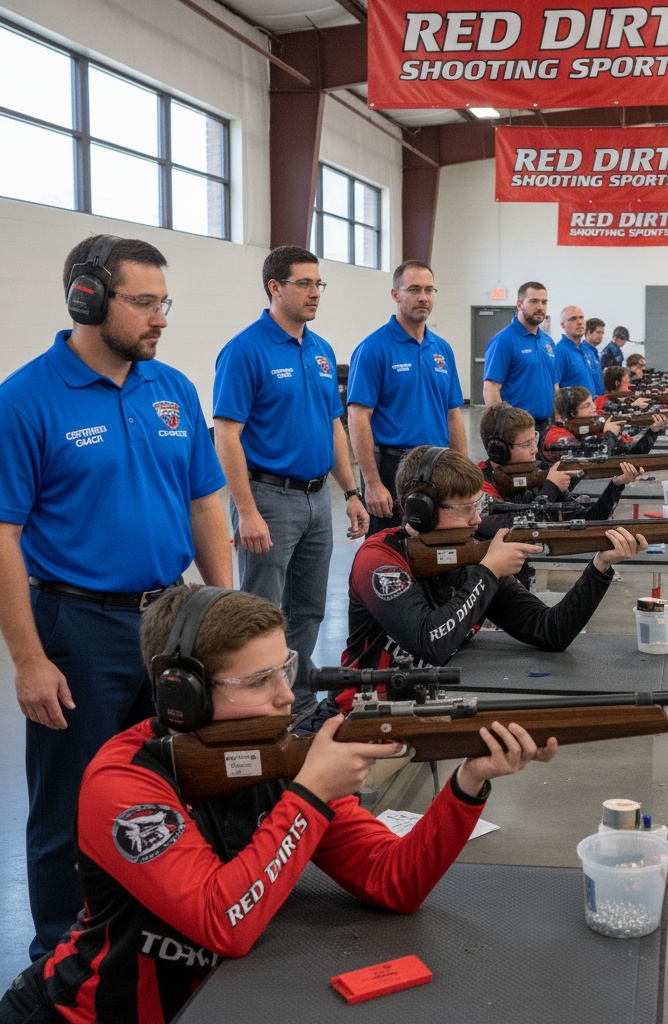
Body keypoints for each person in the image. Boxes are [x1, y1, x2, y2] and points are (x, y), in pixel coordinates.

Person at [0, 584, 556, 1024]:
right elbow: (222, 923)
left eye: (284, 669)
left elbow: (395, 881)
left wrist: (469, 782)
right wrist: (311, 793)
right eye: (260, 680)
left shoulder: (275, 754)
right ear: (182, 694)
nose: (287, 696)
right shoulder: (122, 783)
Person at [0, 234, 233, 960]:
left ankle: (145, 941)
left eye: (165, 302)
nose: (160, 317)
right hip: (79, 628)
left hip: (172, 623)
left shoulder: (173, 390)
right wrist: (30, 659)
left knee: (174, 787)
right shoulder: (26, 398)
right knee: (72, 810)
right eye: (143, 303)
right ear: (87, 298)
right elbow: (2, 537)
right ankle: (60, 966)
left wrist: (225, 616)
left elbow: (204, 505)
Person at [213, 246, 369, 710]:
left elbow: (334, 426)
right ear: (274, 287)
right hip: (268, 498)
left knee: (308, 610)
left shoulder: (321, 351)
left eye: (318, 284)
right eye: (304, 283)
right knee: (261, 615)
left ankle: (296, 704)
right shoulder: (244, 351)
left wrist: (352, 492)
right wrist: (245, 511)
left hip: (318, 498)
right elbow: (226, 434)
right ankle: (253, 707)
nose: (314, 293)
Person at [341, 446, 646, 672]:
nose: (477, 520)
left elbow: (551, 631)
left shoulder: (471, 553)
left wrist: (600, 566)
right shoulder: (379, 560)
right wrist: (488, 572)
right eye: (465, 509)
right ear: (420, 511)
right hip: (365, 717)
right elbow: (430, 642)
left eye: (478, 505)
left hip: (431, 706)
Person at [347, 260, 467, 537]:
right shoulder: (373, 348)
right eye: (414, 289)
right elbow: (358, 417)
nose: (423, 297)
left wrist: (464, 474)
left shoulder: (442, 349)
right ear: (395, 295)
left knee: (436, 546)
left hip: (438, 464)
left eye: (429, 290)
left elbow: (453, 414)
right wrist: (372, 482)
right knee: (389, 551)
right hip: (392, 467)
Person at [478, 402, 640, 520]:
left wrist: (617, 484)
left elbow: (588, 518)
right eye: (526, 444)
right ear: (498, 451)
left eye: (533, 440)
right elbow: (517, 531)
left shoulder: (533, 476)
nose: (534, 449)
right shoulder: (479, 491)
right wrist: (550, 489)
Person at [482, 281, 558, 431]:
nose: (540, 307)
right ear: (519, 305)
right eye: (534, 301)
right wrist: (504, 427)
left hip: (547, 424)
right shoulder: (503, 340)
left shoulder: (547, 341)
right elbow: (490, 390)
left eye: (544, 302)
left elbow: (554, 384)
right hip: (517, 428)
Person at [541, 387, 668, 464]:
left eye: (592, 403)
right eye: (586, 406)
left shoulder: (593, 426)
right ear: (572, 414)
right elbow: (597, 461)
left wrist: (653, 431)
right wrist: (609, 435)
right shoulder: (558, 438)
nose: (594, 408)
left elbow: (632, 453)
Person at [554, 304, 602, 394]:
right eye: (573, 319)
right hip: (573, 407)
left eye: (581, 317)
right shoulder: (559, 352)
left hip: (593, 406)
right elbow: (555, 389)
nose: (579, 322)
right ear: (563, 325)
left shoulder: (588, 351)